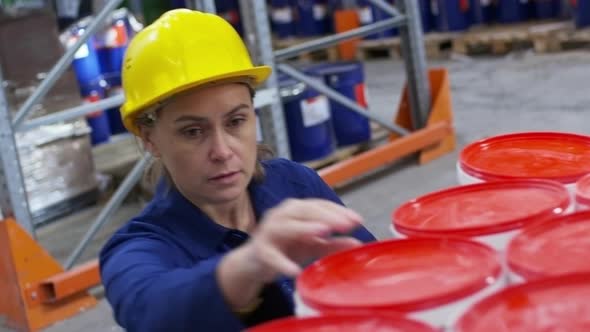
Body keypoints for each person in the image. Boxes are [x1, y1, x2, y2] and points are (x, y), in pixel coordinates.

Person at [99, 8, 376, 332]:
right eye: (193, 131)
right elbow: (148, 309)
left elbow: (373, 273)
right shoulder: (139, 247)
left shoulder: (297, 185)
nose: (222, 151)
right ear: (150, 139)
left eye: (235, 121)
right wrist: (247, 267)